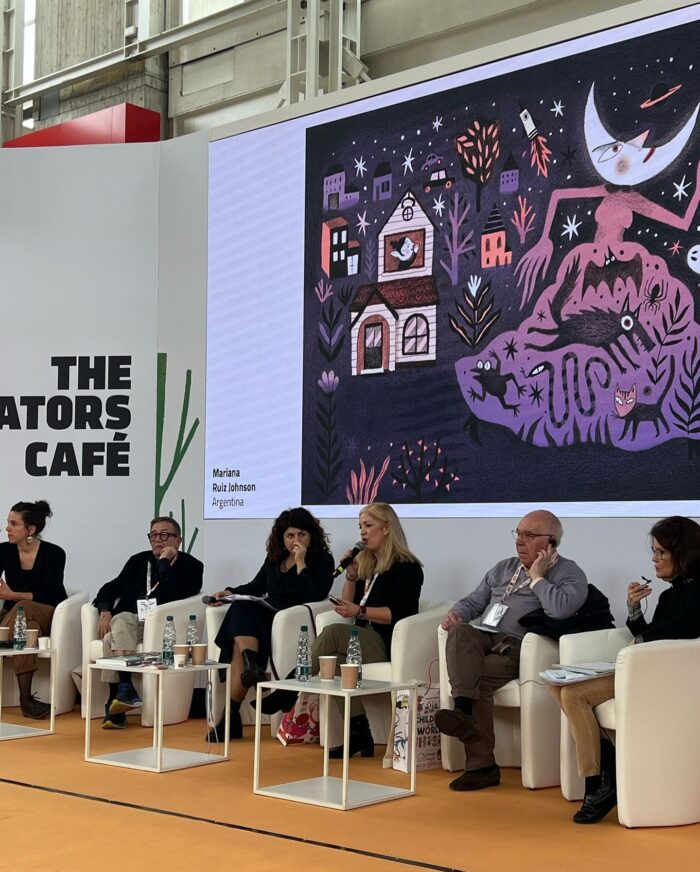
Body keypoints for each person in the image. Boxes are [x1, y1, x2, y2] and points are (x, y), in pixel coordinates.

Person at [552, 516, 700, 824]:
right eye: (654, 551)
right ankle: (607, 773)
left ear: (683, 552)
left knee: (574, 695)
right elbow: (653, 633)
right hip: (644, 671)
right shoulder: (669, 595)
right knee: (559, 685)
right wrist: (633, 610)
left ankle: (597, 782)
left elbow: (685, 628)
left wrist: (641, 641)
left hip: (666, 679)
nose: (654, 559)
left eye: (661, 552)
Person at [436, 509, 588, 791]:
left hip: (518, 647)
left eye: (529, 535)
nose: (519, 541)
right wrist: (457, 614)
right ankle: (463, 710)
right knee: (459, 632)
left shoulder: (568, 572)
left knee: (476, 678)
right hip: (485, 636)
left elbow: (561, 609)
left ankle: (481, 765)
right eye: (518, 533)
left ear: (551, 542)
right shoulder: (504, 568)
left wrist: (538, 578)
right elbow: (473, 602)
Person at [261, 502, 424, 759]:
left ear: (386, 528)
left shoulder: (406, 567)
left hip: (386, 640)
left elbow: (399, 613)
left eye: (368, 526)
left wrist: (360, 611)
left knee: (333, 633)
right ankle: (359, 733)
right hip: (361, 638)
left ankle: (288, 689)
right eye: (360, 527)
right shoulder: (368, 565)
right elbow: (347, 605)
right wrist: (350, 577)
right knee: (333, 661)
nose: (363, 532)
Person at [207, 507, 334, 741]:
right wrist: (228, 592)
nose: (296, 541)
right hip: (268, 613)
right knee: (240, 607)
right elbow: (256, 586)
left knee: (240, 632)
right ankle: (251, 666)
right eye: (290, 535)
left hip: (290, 618)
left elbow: (315, 594)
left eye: (302, 534)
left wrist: (301, 563)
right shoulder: (275, 558)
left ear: (312, 535)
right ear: (281, 537)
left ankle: (232, 713)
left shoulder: (322, 560)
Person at [94, 516, 203, 729]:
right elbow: (111, 587)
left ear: (178, 540)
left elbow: (177, 594)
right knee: (119, 622)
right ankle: (124, 693)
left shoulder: (192, 565)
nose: (157, 539)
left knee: (111, 637)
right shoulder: (138, 561)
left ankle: (116, 702)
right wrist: (105, 610)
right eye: (153, 535)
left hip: (163, 626)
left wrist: (164, 563)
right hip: (131, 623)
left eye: (164, 535)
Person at [0, 500, 67, 719]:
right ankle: (27, 701)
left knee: (24, 607)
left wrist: (13, 596)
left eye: (13, 524)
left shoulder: (55, 553)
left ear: (30, 529)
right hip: (16, 617)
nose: (7, 528)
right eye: (8, 523)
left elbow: (51, 594)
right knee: (28, 629)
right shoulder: (4, 550)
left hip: (48, 611)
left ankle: (2, 641)